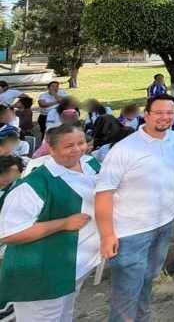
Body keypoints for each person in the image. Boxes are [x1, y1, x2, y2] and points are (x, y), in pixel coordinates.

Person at [95, 94, 174, 322]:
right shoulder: (124, 149)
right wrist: (106, 235)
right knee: (126, 293)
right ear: (147, 115)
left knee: (147, 282)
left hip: (163, 226)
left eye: (170, 113)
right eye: (159, 112)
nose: (165, 117)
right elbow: (104, 193)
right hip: (131, 233)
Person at [0, 125, 101, 322]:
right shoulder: (33, 185)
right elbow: (9, 233)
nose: (77, 149)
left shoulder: (91, 164)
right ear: (51, 150)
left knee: (65, 316)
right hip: (43, 273)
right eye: (68, 146)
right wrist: (63, 223)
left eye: (81, 143)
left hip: (76, 266)